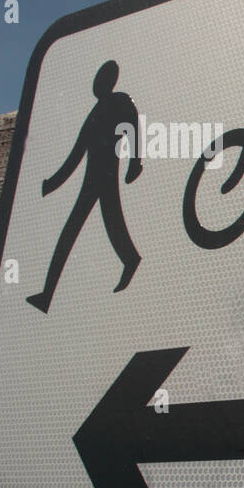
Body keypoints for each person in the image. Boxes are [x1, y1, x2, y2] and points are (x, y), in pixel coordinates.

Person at [26, 60, 142, 314]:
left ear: (109, 81)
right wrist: (52, 183)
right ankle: (131, 259)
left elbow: (132, 126)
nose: (96, 84)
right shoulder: (95, 112)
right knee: (112, 225)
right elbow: (76, 154)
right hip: (95, 178)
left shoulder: (119, 102)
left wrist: (136, 163)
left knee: (75, 229)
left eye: (101, 79)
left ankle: (47, 296)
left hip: (104, 175)